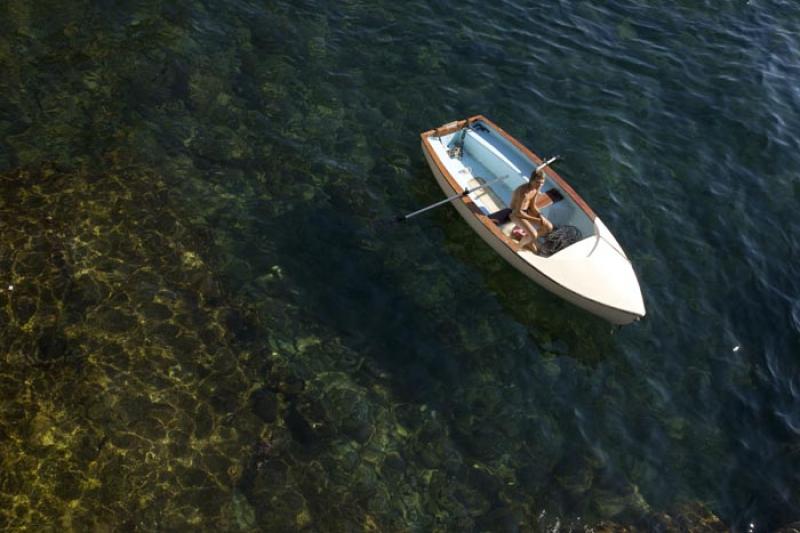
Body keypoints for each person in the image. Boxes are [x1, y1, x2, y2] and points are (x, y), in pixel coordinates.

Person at [509, 169, 554, 253]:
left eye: (542, 183)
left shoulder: (536, 189)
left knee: (549, 227)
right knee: (534, 234)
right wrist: (537, 220)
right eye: (537, 182)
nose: (540, 185)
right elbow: (518, 212)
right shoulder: (523, 192)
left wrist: (540, 216)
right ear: (531, 180)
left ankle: (527, 240)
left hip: (526, 211)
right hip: (515, 213)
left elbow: (533, 205)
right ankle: (517, 247)